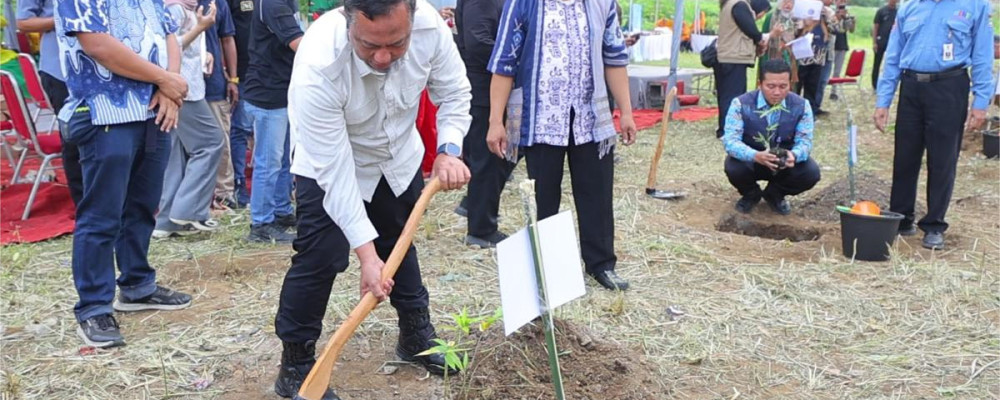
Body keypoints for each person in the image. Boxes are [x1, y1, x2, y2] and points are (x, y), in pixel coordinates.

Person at [275, 0, 472, 398]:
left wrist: (449, 148)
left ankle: (417, 337)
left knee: (400, 241)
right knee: (320, 256)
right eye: (368, 46)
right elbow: (336, 172)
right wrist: (365, 256)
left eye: (396, 44)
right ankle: (296, 364)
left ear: (412, 20)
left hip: (397, 154)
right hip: (330, 161)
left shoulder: (431, 27)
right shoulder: (319, 61)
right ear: (348, 21)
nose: (383, 57)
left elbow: (454, 91)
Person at [54, 0, 193, 348]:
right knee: (102, 215)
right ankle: (94, 306)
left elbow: (169, 35)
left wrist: (170, 89)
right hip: (105, 112)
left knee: (143, 206)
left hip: (155, 110)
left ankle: (137, 285)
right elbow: (97, 44)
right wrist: (165, 80)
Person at [488, 0, 637, 291]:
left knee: (597, 193)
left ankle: (601, 264)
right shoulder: (523, 4)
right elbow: (505, 62)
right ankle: (545, 268)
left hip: (590, 119)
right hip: (540, 119)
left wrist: (627, 111)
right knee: (542, 197)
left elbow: (615, 57)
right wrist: (496, 120)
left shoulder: (602, 4)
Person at [873, 0, 994, 251]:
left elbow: (983, 55)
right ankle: (902, 217)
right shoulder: (909, 7)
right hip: (911, 87)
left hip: (949, 87)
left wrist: (980, 102)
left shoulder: (975, 6)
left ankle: (934, 225)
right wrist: (883, 101)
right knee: (905, 156)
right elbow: (893, 55)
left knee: (942, 159)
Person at [154, 0, 227, 237]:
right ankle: (189, 210)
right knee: (211, 142)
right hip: (182, 89)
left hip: (186, 86)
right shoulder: (175, 9)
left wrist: (204, 54)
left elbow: (184, 45)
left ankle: (167, 221)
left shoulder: (183, 9)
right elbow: (168, 48)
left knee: (176, 152)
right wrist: (201, 27)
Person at [722, 60, 820, 215]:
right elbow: (730, 141)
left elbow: (805, 141)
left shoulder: (802, 105)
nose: (777, 92)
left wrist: (793, 155)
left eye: (783, 87)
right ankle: (751, 194)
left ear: (791, 83)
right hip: (752, 160)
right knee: (734, 166)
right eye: (771, 86)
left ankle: (775, 194)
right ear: (760, 84)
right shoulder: (741, 104)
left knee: (810, 172)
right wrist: (755, 155)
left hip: (784, 163)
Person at [242, 0, 304, 243]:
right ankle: (261, 224)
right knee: (268, 163)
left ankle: (281, 212)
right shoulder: (273, 3)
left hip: (283, 92)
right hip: (268, 95)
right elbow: (300, 44)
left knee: (284, 160)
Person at [454, 0, 514, 248]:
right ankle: (481, 228)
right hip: (484, 88)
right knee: (488, 159)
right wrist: (512, 64)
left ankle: (475, 205)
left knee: (502, 156)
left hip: (492, 85)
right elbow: (478, 41)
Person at [16, 0, 84, 206]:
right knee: (74, 138)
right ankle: (84, 204)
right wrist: (66, 19)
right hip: (60, 70)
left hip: (102, 66)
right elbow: (24, 23)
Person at [199, 0, 240, 210]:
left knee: (221, 139)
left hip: (213, 84)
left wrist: (233, 79)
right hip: (179, 85)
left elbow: (227, 39)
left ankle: (225, 194)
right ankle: (191, 201)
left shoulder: (217, 3)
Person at [714, 0, 776, 138]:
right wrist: (767, 36)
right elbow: (751, 30)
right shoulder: (739, 5)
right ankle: (727, 130)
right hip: (734, 56)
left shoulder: (728, 4)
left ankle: (725, 128)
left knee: (726, 95)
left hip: (726, 55)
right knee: (733, 96)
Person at [228, 0, 253, 208]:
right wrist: (232, 77)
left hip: (269, 74)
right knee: (240, 130)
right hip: (243, 74)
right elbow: (225, 37)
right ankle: (239, 185)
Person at [761, 0, 801, 83]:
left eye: (791, 2)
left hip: (790, 54)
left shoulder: (796, 18)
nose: (788, 5)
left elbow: (798, 34)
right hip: (772, 53)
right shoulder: (771, 16)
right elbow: (764, 36)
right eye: (785, 2)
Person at [829, 0, 853, 101]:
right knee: (827, 69)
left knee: (837, 71)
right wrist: (837, 16)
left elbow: (851, 30)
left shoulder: (847, 14)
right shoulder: (829, 11)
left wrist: (848, 19)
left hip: (842, 44)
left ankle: (834, 91)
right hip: (831, 45)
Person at [871, 0, 897, 90]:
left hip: (892, 42)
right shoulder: (881, 11)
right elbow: (875, 27)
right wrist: (874, 42)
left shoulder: (898, 12)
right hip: (880, 41)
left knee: (890, 64)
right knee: (877, 64)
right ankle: (875, 84)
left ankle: (887, 84)